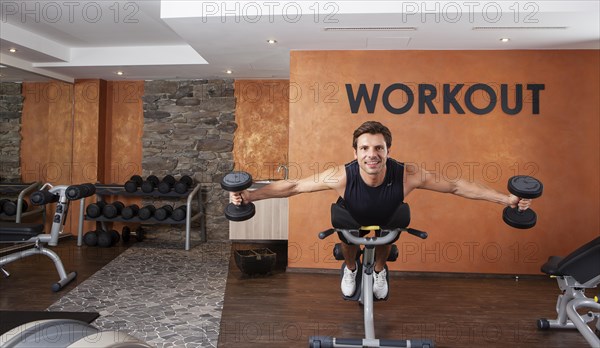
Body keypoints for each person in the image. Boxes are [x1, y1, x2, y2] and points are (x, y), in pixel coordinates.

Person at [229, 121, 532, 300]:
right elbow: (294, 186)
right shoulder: (341, 175)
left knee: (392, 227)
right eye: (365, 148)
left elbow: (455, 186)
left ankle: (378, 270)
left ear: (388, 150)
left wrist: (505, 200)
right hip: (351, 222)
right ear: (356, 152)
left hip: (385, 223)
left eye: (378, 148)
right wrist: (252, 196)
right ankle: (350, 269)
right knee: (345, 229)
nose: (372, 155)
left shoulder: (408, 173)